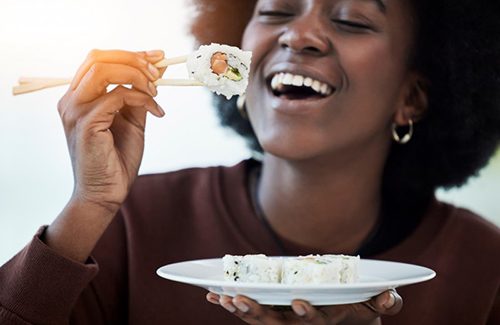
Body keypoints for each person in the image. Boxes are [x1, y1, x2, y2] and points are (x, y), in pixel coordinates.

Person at [1, 0, 499, 324]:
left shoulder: (483, 266)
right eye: (277, 11)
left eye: (350, 19)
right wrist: (89, 203)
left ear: (411, 97)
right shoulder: (132, 219)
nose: (299, 35)